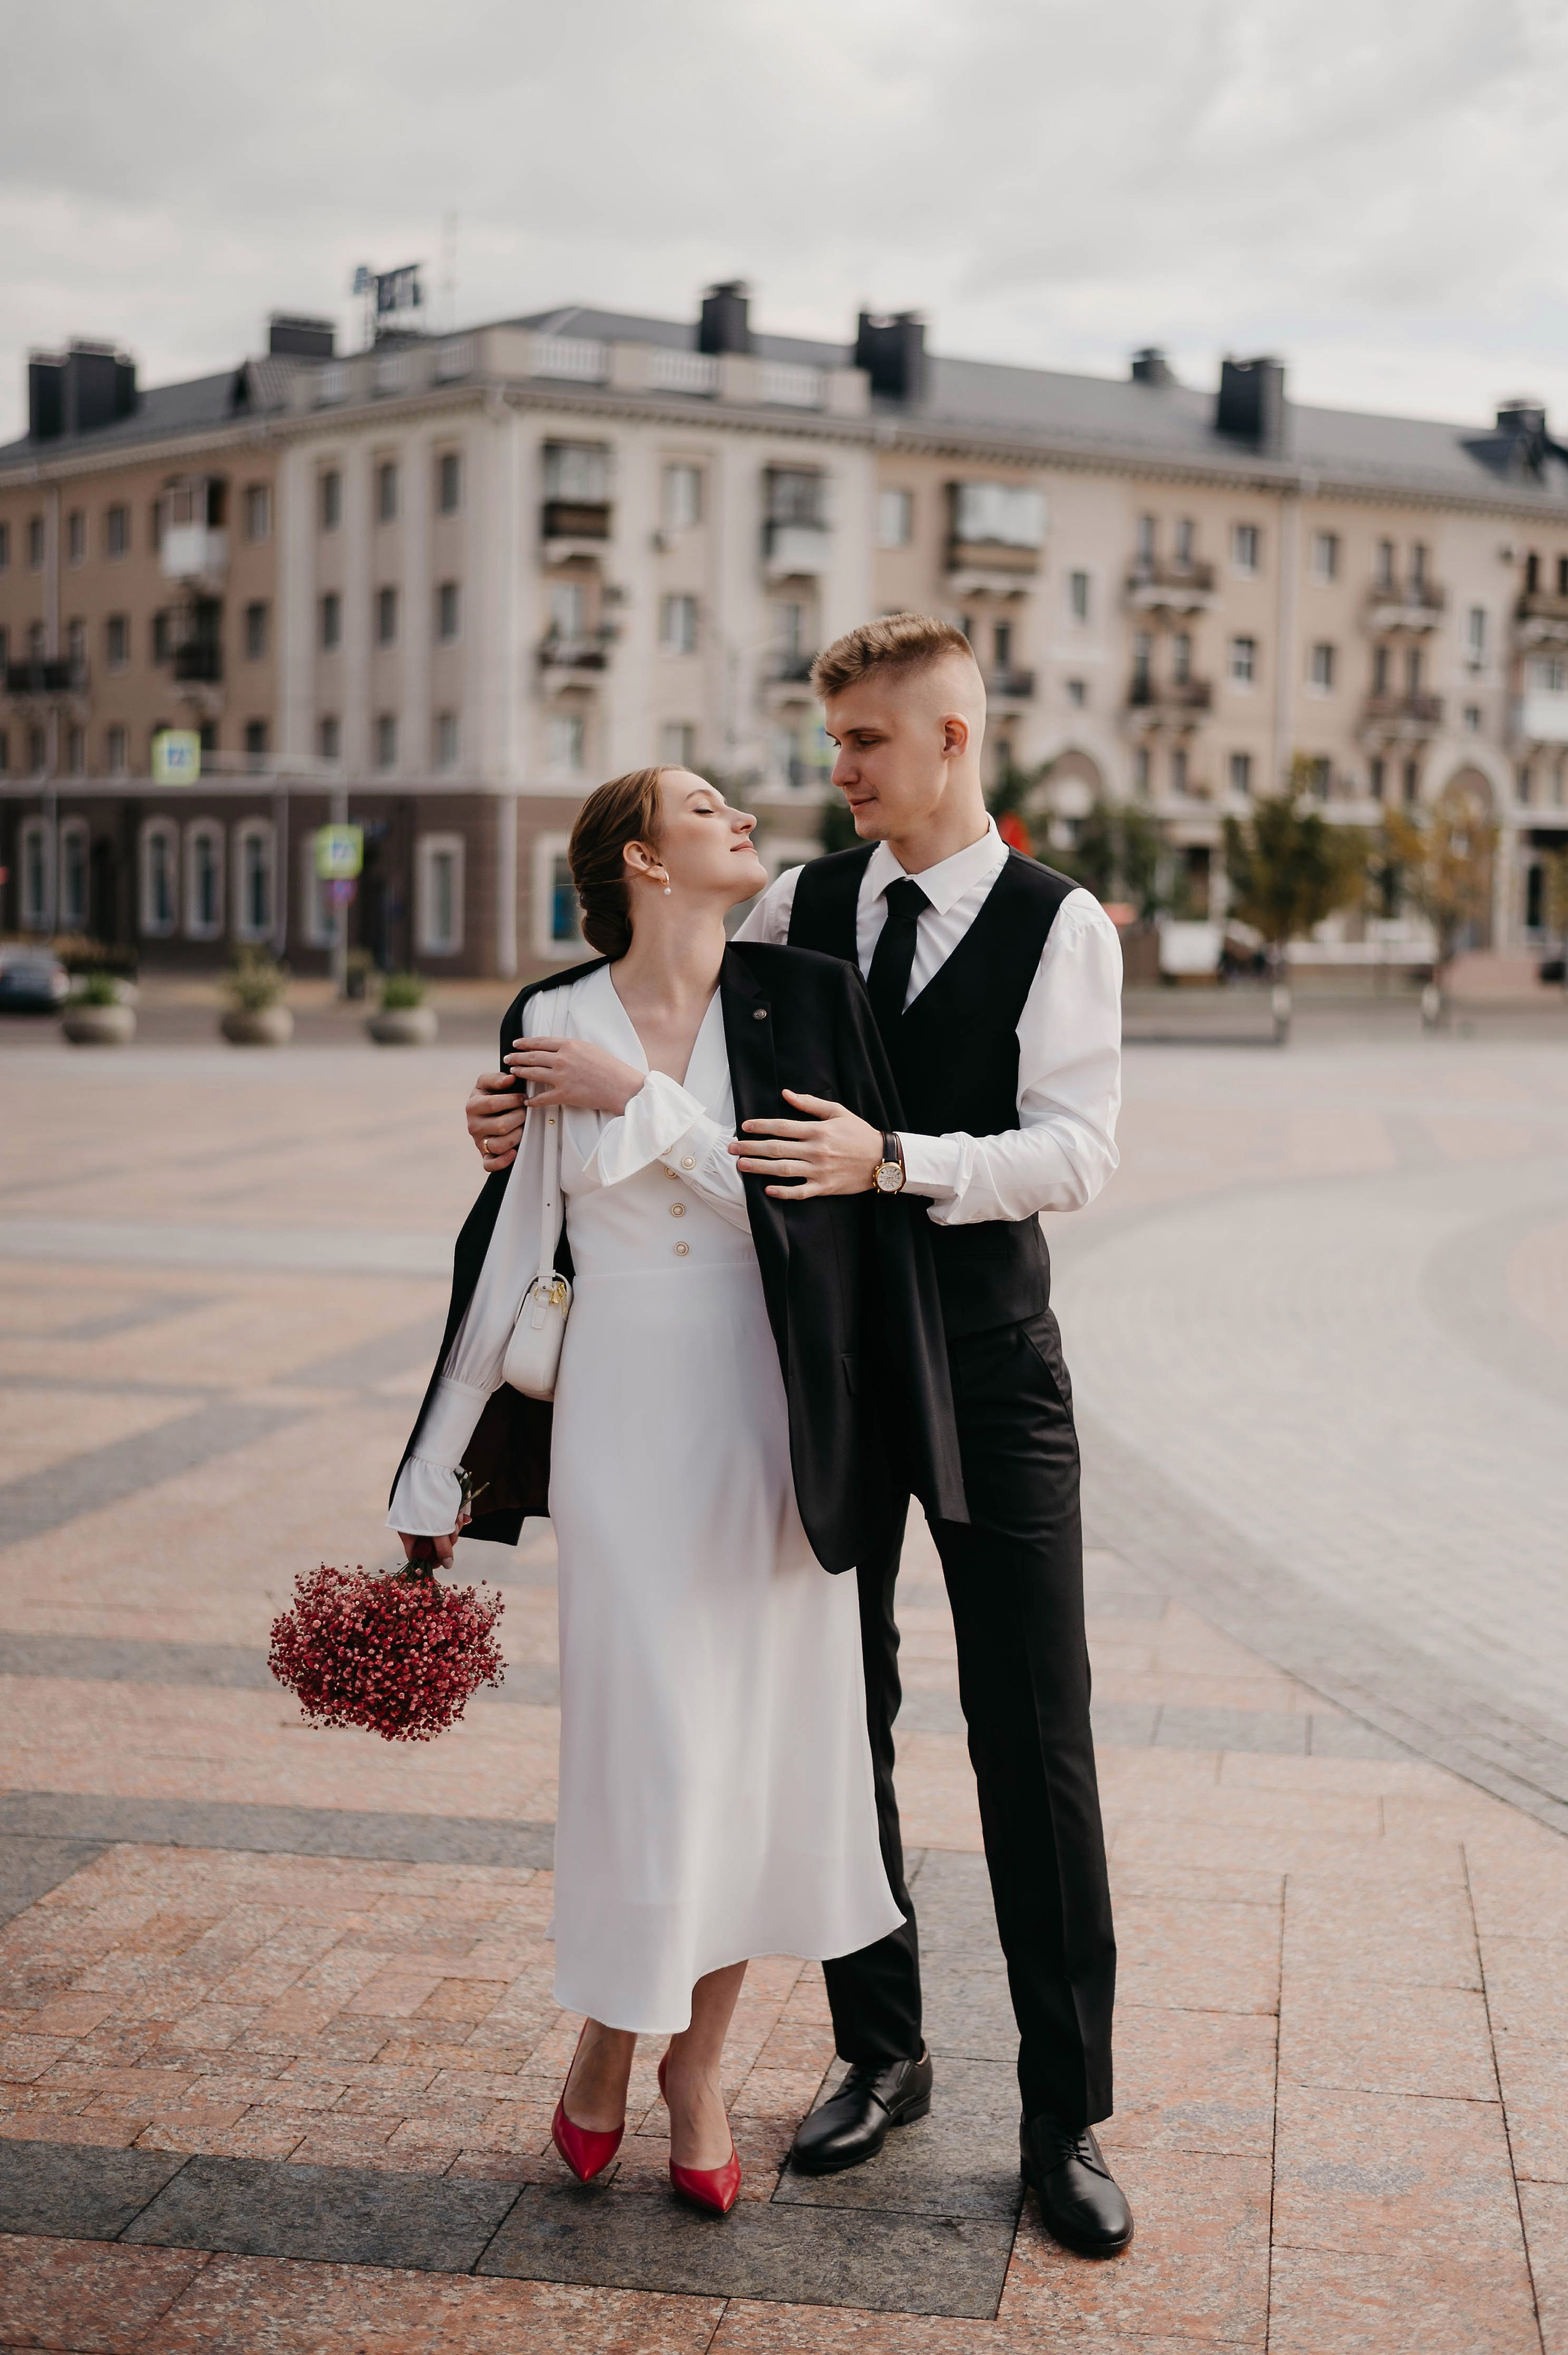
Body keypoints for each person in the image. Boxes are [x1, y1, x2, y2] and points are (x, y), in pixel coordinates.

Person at [467, 617, 1133, 2258]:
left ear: (953, 737)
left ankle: (1063, 2116)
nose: (838, 771)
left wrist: (891, 1157)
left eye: (864, 743)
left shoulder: (1059, 924)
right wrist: (515, 1107)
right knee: (840, 1715)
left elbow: (1075, 1151)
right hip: (818, 1370)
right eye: (832, 740)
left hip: (986, 1369)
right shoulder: (794, 905)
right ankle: (879, 2049)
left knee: (1033, 1731)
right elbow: (668, 1038)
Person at [391, 763, 964, 2217]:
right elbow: (513, 1247)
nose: (740, 817)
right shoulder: (550, 1017)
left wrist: (638, 1100)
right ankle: (610, 2036)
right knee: (648, 1744)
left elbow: (810, 1212)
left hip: (775, 1415)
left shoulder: (809, 996)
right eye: (705, 805)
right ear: (643, 859)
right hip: (625, 1417)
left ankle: (686, 2067)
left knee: (751, 1749)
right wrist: (434, 1466)